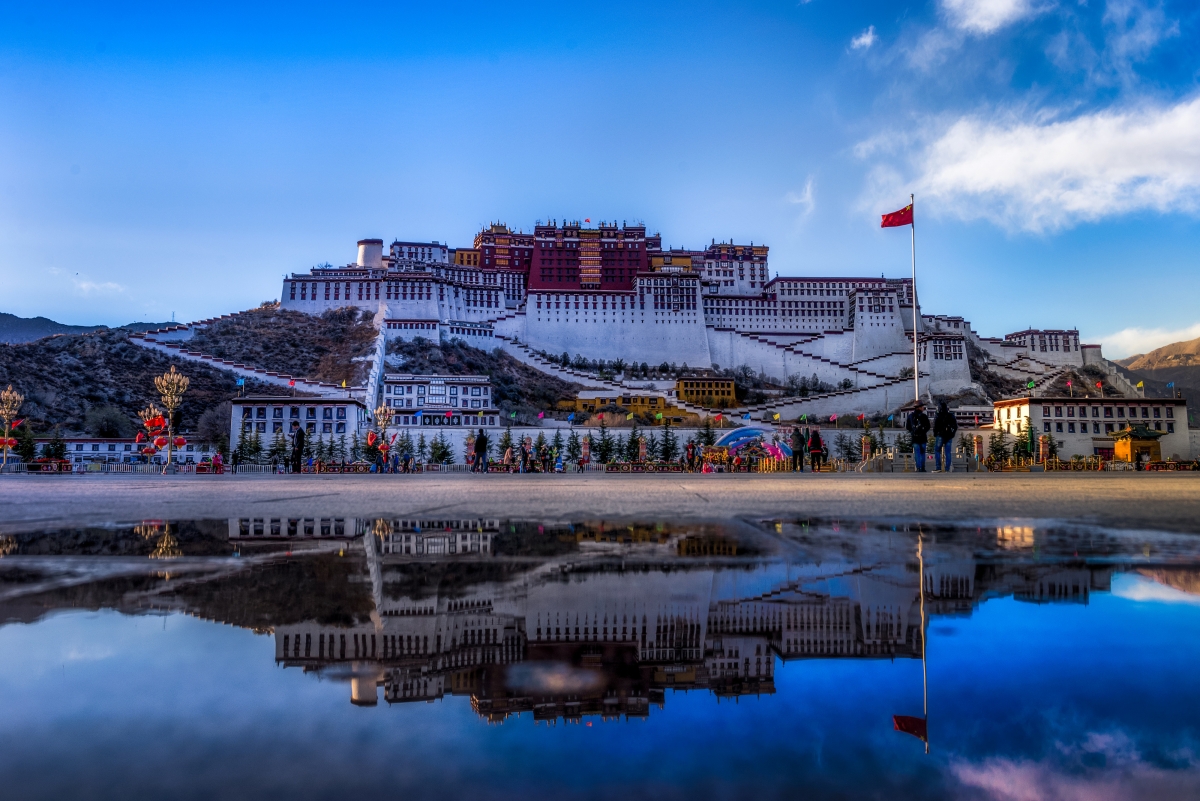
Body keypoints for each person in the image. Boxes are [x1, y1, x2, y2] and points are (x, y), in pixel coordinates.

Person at [932, 401, 958, 473]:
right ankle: (947, 468)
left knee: (937, 450)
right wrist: (952, 434)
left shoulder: (938, 415)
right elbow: (955, 426)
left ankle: (938, 467)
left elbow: (934, 426)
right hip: (949, 435)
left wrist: (935, 434)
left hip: (940, 435)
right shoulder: (951, 415)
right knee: (948, 452)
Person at [906, 402, 931, 472]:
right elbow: (928, 427)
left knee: (917, 453)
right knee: (923, 453)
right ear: (919, 407)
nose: (923, 408)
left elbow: (908, 427)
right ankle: (922, 467)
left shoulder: (910, 416)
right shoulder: (924, 416)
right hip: (923, 437)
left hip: (915, 438)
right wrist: (923, 431)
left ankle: (918, 467)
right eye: (922, 407)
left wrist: (913, 431)